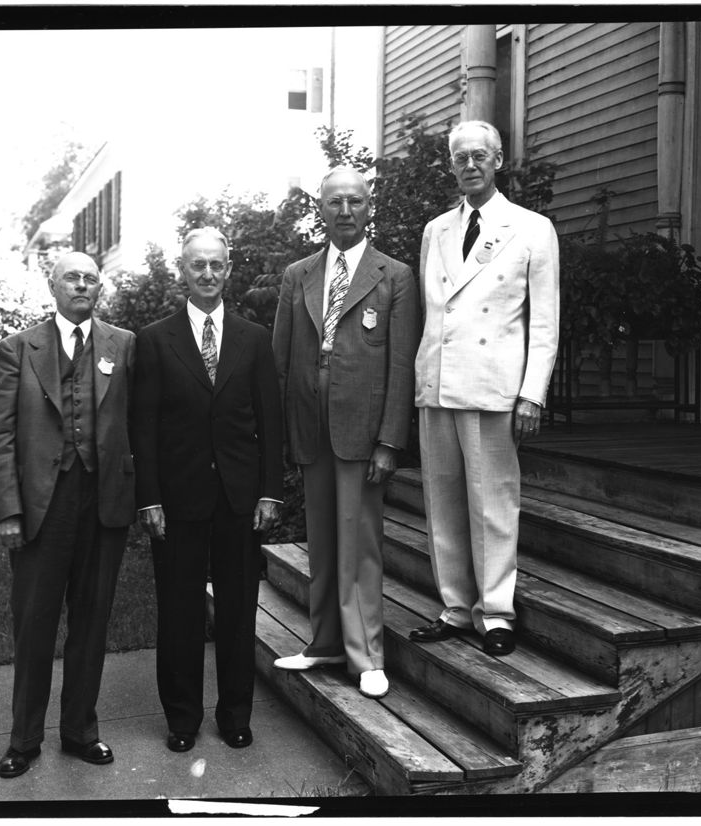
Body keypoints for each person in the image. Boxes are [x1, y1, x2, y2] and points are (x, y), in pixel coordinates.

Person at [409, 120, 560, 656]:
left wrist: (532, 394)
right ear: (451, 166)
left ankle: (495, 612)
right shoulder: (436, 230)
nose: (469, 165)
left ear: (498, 160)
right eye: (459, 157)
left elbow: (544, 323)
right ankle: (454, 606)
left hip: (494, 387)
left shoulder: (532, 228)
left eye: (479, 156)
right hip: (439, 382)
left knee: (493, 503)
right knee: (443, 502)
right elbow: (434, 313)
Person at [0, 251, 135, 778]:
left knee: (92, 623)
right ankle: (24, 740)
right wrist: (8, 510)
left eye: (91, 279)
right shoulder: (18, 348)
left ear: (100, 289)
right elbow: (0, 434)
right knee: (35, 625)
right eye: (71, 277)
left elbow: (134, 424)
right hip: (41, 507)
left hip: (102, 503)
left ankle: (80, 732)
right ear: (52, 285)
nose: (82, 285)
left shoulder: (123, 344)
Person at [271, 167, 420, 699]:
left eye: (355, 201)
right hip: (312, 429)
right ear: (321, 208)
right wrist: (285, 436)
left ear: (369, 206)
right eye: (335, 202)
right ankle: (325, 642)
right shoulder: (299, 275)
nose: (345, 211)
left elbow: (401, 367)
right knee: (323, 539)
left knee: (360, 542)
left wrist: (389, 442)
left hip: (363, 431)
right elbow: (283, 362)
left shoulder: (394, 275)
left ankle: (367, 654)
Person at [133, 227, 283, 753]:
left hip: (241, 499)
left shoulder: (254, 338)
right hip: (176, 502)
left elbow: (271, 421)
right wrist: (148, 498)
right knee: (178, 612)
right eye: (198, 265)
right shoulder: (155, 340)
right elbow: (143, 427)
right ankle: (182, 719)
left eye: (216, 265)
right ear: (183, 270)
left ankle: (235, 714)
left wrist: (270, 492)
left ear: (229, 268)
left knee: (240, 612)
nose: (208, 274)